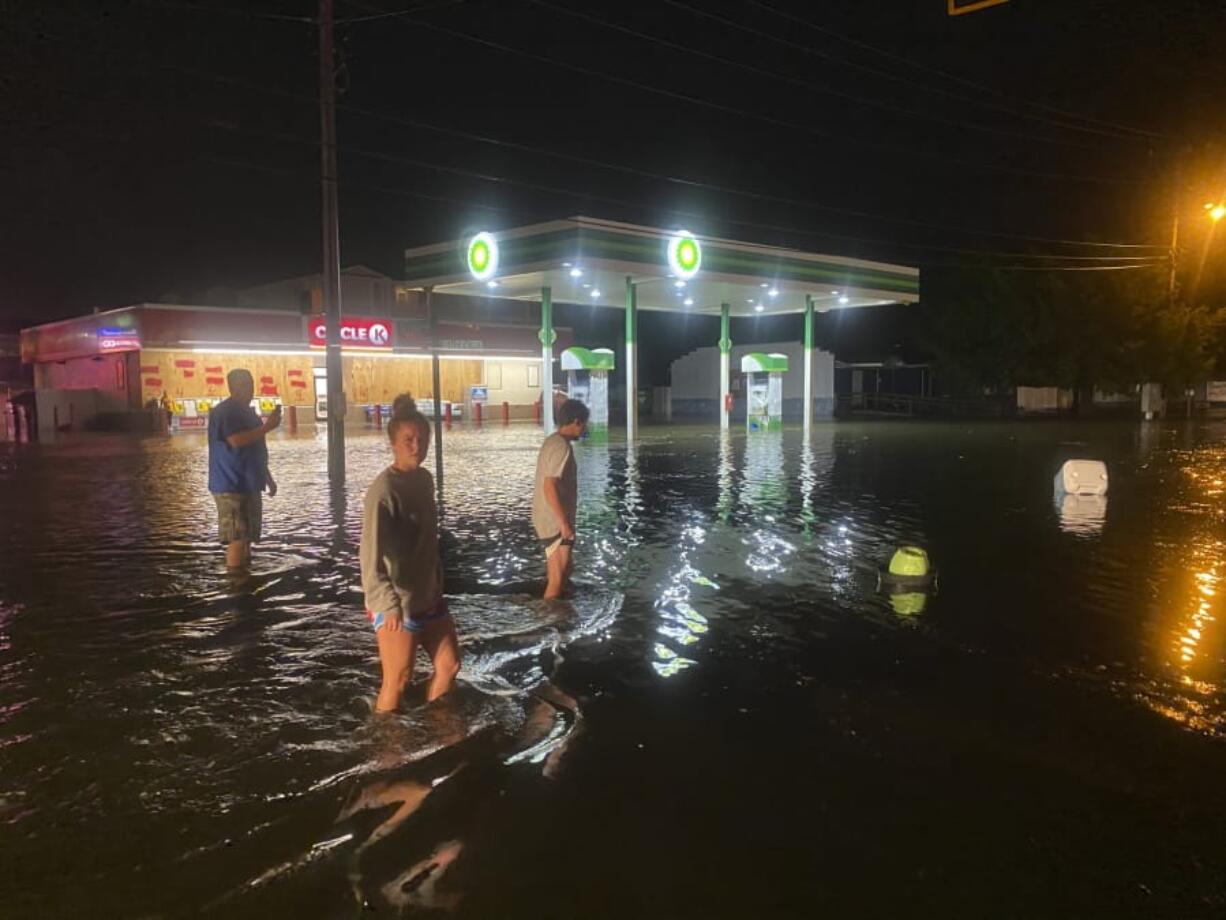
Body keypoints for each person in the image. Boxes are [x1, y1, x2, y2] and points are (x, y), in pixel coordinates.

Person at [361, 394, 461, 713]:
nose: (416, 446)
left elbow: (427, 540)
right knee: (398, 679)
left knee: (449, 665)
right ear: (393, 443)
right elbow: (369, 555)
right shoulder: (384, 491)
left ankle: (436, 730)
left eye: (422, 439)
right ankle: (387, 749)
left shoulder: (425, 480)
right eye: (408, 440)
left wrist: (437, 579)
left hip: (428, 595)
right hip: (397, 602)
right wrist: (388, 605)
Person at [207, 369, 280, 569]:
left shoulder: (249, 413)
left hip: (250, 483)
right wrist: (267, 427)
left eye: (250, 384)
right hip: (231, 484)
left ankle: (244, 580)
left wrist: (268, 478)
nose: (249, 389)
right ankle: (236, 585)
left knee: (247, 537)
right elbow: (236, 440)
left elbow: (256, 448)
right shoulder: (225, 411)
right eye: (243, 385)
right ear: (232, 388)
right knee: (237, 538)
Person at [532, 398, 589, 599]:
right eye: (584, 423)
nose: (584, 429)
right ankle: (548, 623)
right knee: (557, 578)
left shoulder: (552, 441)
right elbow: (549, 485)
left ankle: (561, 617)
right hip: (553, 521)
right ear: (576, 422)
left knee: (565, 571)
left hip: (549, 518)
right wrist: (563, 523)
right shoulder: (561, 447)